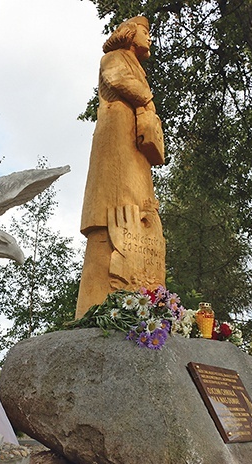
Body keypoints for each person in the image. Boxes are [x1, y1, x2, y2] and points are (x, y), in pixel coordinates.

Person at [75, 16, 166, 319]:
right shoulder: (114, 57)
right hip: (116, 135)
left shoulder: (136, 65)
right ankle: (103, 301)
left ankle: (144, 300)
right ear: (129, 34)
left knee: (139, 201)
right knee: (113, 202)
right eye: (145, 32)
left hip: (134, 146)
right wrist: (148, 100)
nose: (150, 38)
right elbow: (117, 79)